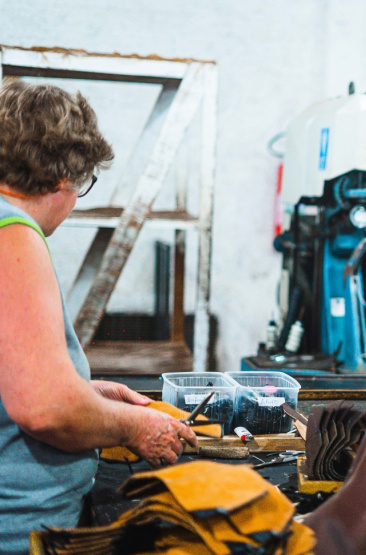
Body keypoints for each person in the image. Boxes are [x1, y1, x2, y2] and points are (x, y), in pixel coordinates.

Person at [0, 81, 197, 552]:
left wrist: (83, 390)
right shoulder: (12, 234)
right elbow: (45, 409)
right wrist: (136, 426)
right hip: (19, 532)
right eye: (83, 185)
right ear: (64, 178)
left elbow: (22, 384)